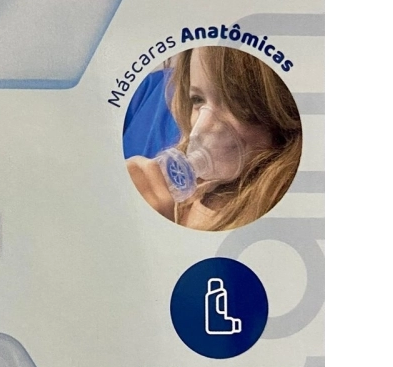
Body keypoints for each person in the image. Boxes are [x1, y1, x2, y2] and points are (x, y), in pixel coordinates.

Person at [126, 46, 302, 230]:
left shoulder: (277, 221)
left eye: (237, 103)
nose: (202, 127)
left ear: (280, 113)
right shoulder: (188, 195)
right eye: (197, 100)